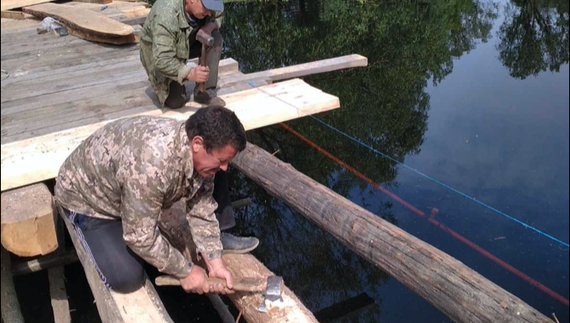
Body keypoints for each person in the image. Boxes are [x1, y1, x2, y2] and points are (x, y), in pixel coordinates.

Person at [55, 106, 256, 294]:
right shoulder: (152, 165)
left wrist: (215, 262)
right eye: (222, 161)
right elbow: (139, 238)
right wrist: (186, 271)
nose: (225, 168)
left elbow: (201, 208)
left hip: (127, 191)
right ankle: (83, 225)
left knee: (148, 245)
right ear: (197, 144)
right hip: (87, 199)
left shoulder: (204, 158)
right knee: (126, 278)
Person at [140, 0, 225, 109]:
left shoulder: (206, 8)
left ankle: (203, 91)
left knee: (215, 39)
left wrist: (210, 26)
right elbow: (162, 59)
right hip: (159, 52)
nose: (209, 13)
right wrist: (190, 73)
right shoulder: (166, 13)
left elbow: (219, 15)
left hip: (186, 42)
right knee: (176, 102)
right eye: (206, 8)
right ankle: (171, 82)